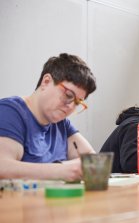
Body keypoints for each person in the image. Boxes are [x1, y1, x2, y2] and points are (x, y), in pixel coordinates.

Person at [0, 53, 97, 181]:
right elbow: (3, 167)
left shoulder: (62, 124)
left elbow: (94, 161)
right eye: (68, 95)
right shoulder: (9, 112)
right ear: (46, 82)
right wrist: (61, 170)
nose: (71, 107)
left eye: (78, 102)